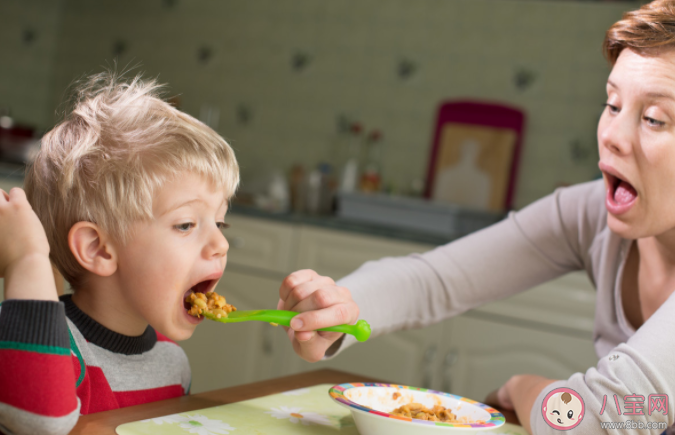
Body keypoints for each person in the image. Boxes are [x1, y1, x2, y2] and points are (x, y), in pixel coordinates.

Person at [279, 1, 675, 433]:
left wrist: (523, 388)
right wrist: (338, 311)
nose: (611, 136)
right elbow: (435, 279)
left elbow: (593, 422)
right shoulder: (588, 215)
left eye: (655, 118)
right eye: (613, 104)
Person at [0, 72, 356, 435]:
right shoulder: (44, 345)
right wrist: (25, 258)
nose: (221, 244)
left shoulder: (172, 363)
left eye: (220, 224)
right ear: (98, 249)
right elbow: (39, 421)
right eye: (186, 225)